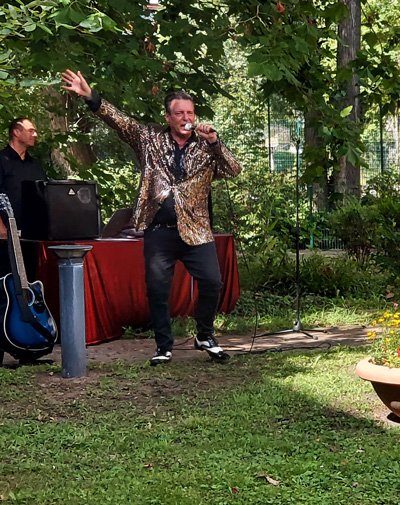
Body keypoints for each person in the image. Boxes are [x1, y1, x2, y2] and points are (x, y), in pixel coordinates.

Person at [61, 69, 241, 365]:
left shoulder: (206, 146)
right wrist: (91, 97)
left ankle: (205, 335)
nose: (186, 118)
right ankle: (163, 346)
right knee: (158, 289)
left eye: (190, 113)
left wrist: (215, 142)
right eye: (179, 113)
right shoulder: (149, 139)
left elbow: (233, 169)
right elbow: (120, 122)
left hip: (197, 229)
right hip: (160, 230)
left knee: (212, 282)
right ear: (168, 117)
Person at [0, 117, 49, 276]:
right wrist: (1, 228)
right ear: (16, 132)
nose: (35, 134)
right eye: (30, 131)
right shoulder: (2, 160)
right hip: (5, 238)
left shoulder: (34, 165)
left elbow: (44, 195)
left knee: (30, 279)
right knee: (6, 282)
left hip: (30, 238)